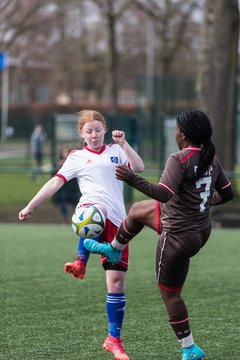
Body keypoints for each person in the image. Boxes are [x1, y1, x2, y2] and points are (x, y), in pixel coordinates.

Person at [84, 110, 234, 360]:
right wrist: (203, 204)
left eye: (176, 129)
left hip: (178, 235)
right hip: (199, 228)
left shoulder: (179, 159)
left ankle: (189, 347)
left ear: (183, 135)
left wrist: (131, 177)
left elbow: (163, 193)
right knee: (138, 210)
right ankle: (114, 247)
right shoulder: (212, 158)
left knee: (170, 293)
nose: (175, 133)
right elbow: (227, 194)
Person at [19, 109, 145, 360]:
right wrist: (30, 205)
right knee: (97, 209)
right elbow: (55, 183)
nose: (94, 134)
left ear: (105, 129)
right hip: (89, 211)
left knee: (116, 283)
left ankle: (113, 340)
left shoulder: (115, 151)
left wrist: (124, 144)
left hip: (118, 223)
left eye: (98, 129)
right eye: (89, 131)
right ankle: (81, 259)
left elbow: (139, 167)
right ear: (81, 134)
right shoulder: (76, 157)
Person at [52, 145, 80, 223]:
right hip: (63, 187)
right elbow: (55, 176)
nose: (66, 154)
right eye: (65, 152)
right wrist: (59, 166)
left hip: (72, 187)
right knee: (63, 202)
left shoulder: (74, 161)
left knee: (75, 203)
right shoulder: (59, 162)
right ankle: (65, 218)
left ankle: (78, 219)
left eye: (68, 152)